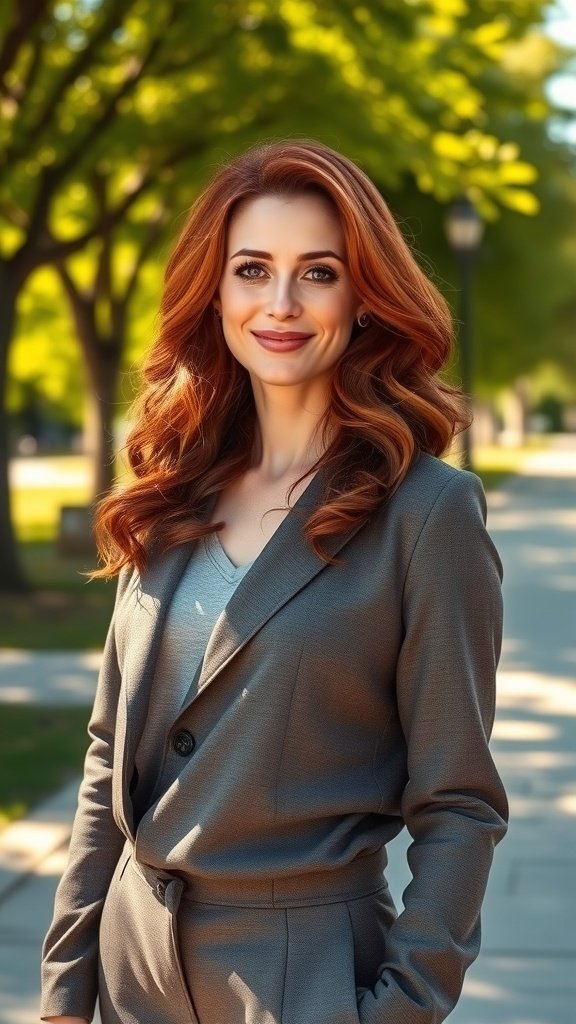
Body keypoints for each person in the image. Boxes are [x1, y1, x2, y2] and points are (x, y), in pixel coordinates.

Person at [41, 139, 508, 1024]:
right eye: (252, 269)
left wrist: (401, 1006)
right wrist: (66, 991)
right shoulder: (172, 490)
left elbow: (461, 804)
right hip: (131, 974)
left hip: (303, 980)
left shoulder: (428, 514)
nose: (281, 304)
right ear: (214, 291)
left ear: (363, 295)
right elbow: (111, 758)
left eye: (318, 273)